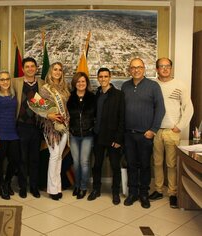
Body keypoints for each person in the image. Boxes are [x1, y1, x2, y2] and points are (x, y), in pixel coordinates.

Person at [149, 58, 193, 208]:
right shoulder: (152, 85)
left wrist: (179, 126)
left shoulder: (180, 85)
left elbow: (189, 108)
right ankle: (159, 190)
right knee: (157, 163)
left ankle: (173, 193)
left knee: (172, 164)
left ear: (171, 68)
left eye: (167, 66)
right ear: (156, 69)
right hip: (156, 131)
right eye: (161, 66)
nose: (165, 69)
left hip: (171, 131)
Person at [121, 58, 165, 209]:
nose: (136, 70)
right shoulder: (125, 86)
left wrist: (153, 130)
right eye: (133, 67)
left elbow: (160, 109)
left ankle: (144, 194)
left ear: (144, 68)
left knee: (145, 165)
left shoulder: (153, 86)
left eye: (139, 67)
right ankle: (132, 193)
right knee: (131, 165)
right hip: (128, 134)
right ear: (129, 69)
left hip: (145, 135)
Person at [87, 68, 125, 205]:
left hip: (113, 138)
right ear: (98, 78)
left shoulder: (119, 95)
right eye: (100, 77)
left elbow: (122, 119)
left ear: (110, 77)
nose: (103, 79)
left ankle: (115, 192)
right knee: (97, 165)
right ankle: (96, 190)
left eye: (105, 76)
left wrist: (119, 139)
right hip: (98, 136)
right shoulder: (96, 94)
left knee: (115, 166)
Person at [12, 57, 45, 198]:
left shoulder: (43, 84)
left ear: (36, 68)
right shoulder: (15, 82)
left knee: (35, 158)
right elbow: (1, 88)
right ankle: (23, 187)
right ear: (23, 68)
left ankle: (34, 186)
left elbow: (45, 104)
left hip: (37, 127)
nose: (30, 69)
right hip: (21, 126)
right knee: (22, 158)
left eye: (33, 66)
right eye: (27, 66)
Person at [39, 62, 70, 200]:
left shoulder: (65, 88)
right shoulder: (44, 89)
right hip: (51, 127)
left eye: (60, 70)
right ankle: (52, 189)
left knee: (59, 157)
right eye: (55, 69)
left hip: (64, 126)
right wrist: (49, 116)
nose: (57, 72)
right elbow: (40, 109)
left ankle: (58, 187)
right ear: (50, 72)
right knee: (54, 155)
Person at [0, 70, 20, 200]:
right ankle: (2, 185)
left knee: (15, 160)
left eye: (7, 79)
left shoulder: (13, 95)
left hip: (13, 133)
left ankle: (7, 182)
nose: (5, 82)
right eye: (2, 79)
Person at [67, 72, 96, 200]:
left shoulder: (92, 97)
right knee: (76, 162)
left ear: (87, 83)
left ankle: (83, 187)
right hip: (74, 134)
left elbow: (96, 116)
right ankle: (77, 185)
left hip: (88, 135)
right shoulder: (70, 97)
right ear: (75, 83)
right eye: (78, 81)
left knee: (84, 162)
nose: (81, 84)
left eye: (83, 81)